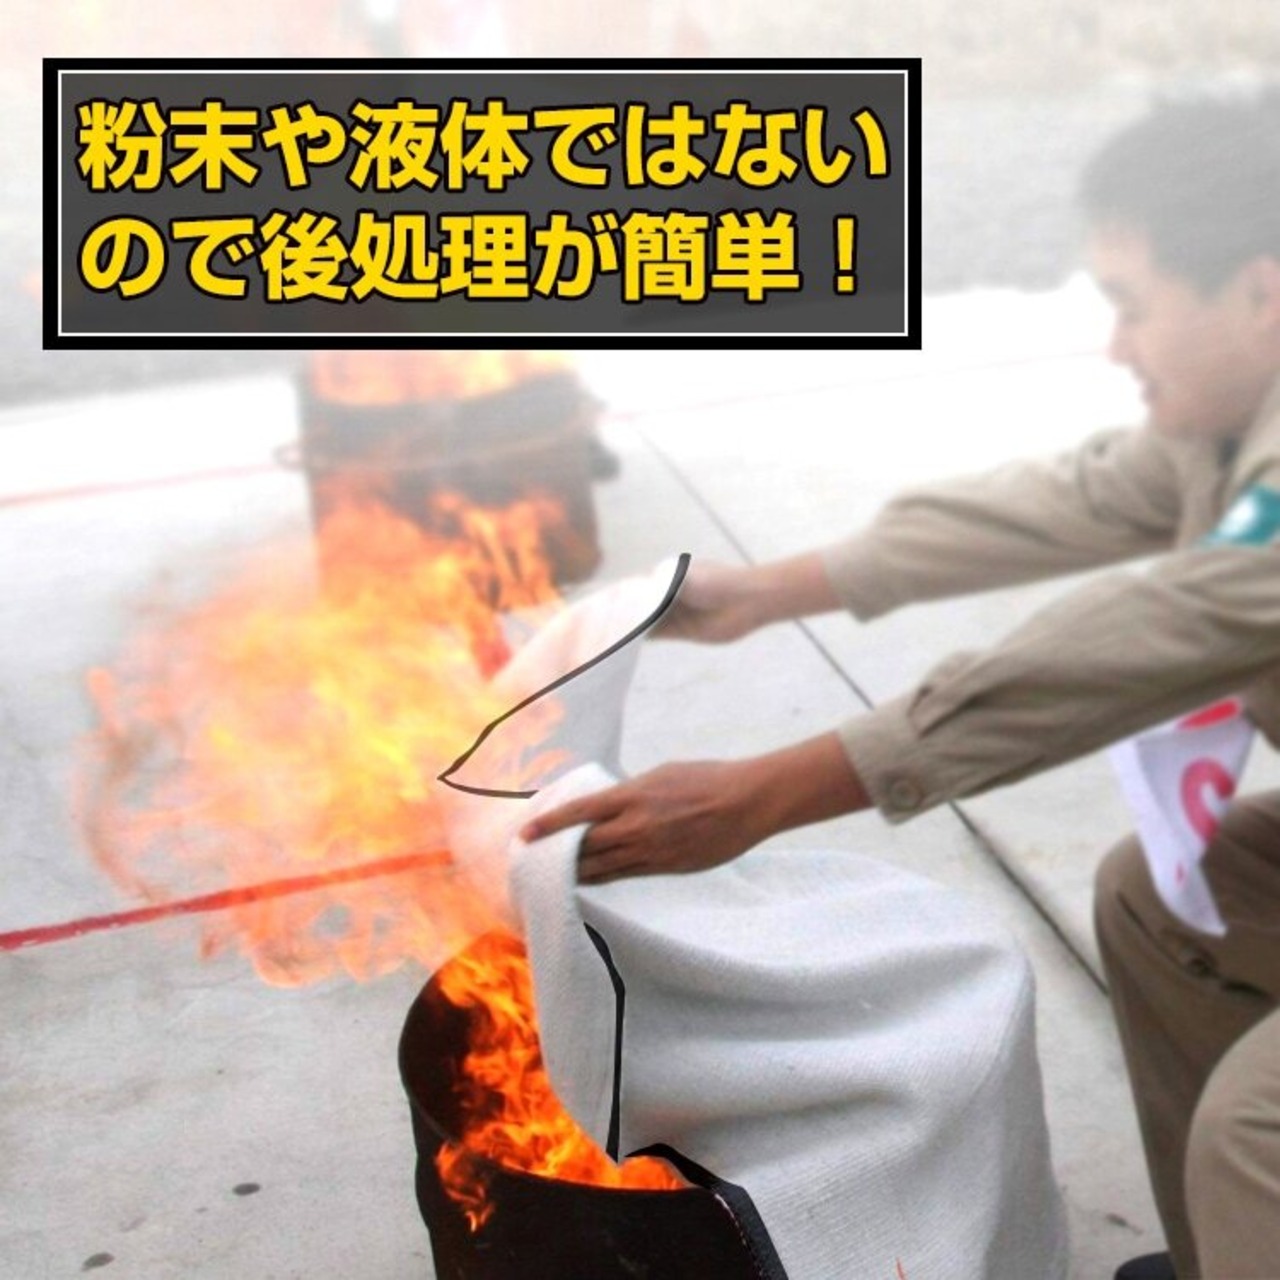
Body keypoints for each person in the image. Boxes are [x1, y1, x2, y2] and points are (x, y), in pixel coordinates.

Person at [521, 90, 1280, 1280]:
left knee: (1257, 1124)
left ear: (1259, 291)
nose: (1114, 347)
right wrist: (765, 590)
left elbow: (1128, 642)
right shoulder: (1230, 425)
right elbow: (1073, 497)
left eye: (1131, 307)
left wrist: (765, 792)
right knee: (1160, 897)